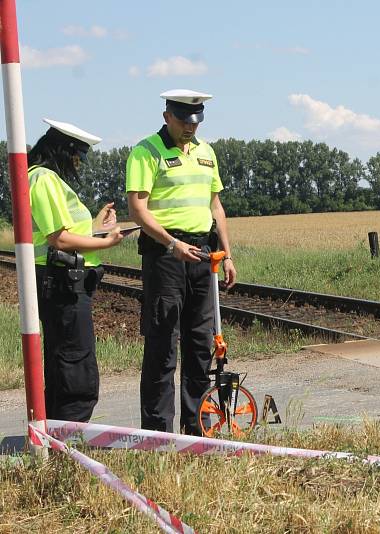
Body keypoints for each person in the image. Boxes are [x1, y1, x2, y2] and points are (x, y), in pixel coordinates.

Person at [126, 89, 237, 435]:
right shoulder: (146, 152)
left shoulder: (207, 153)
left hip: (202, 254)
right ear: (167, 117)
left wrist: (227, 253)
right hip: (165, 255)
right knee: (162, 344)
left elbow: (215, 206)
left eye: (196, 121)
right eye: (184, 121)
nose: (191, 128)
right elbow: (138, 210)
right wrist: (172, 243)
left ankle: (198, 428)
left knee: (201, 343)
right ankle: (158, 433)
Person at [29, 118, 124, 422]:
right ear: (62, 150)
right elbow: (58, 238)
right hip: (62, 283)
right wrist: (107, 243)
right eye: (76, 157)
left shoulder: (47, 179)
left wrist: (96, 227)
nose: (79, 165)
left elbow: (68, 231)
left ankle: (58, 436)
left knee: (65, 363)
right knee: (75, 368)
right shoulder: (43, 179)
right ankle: (69, 441)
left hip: (64, 281)